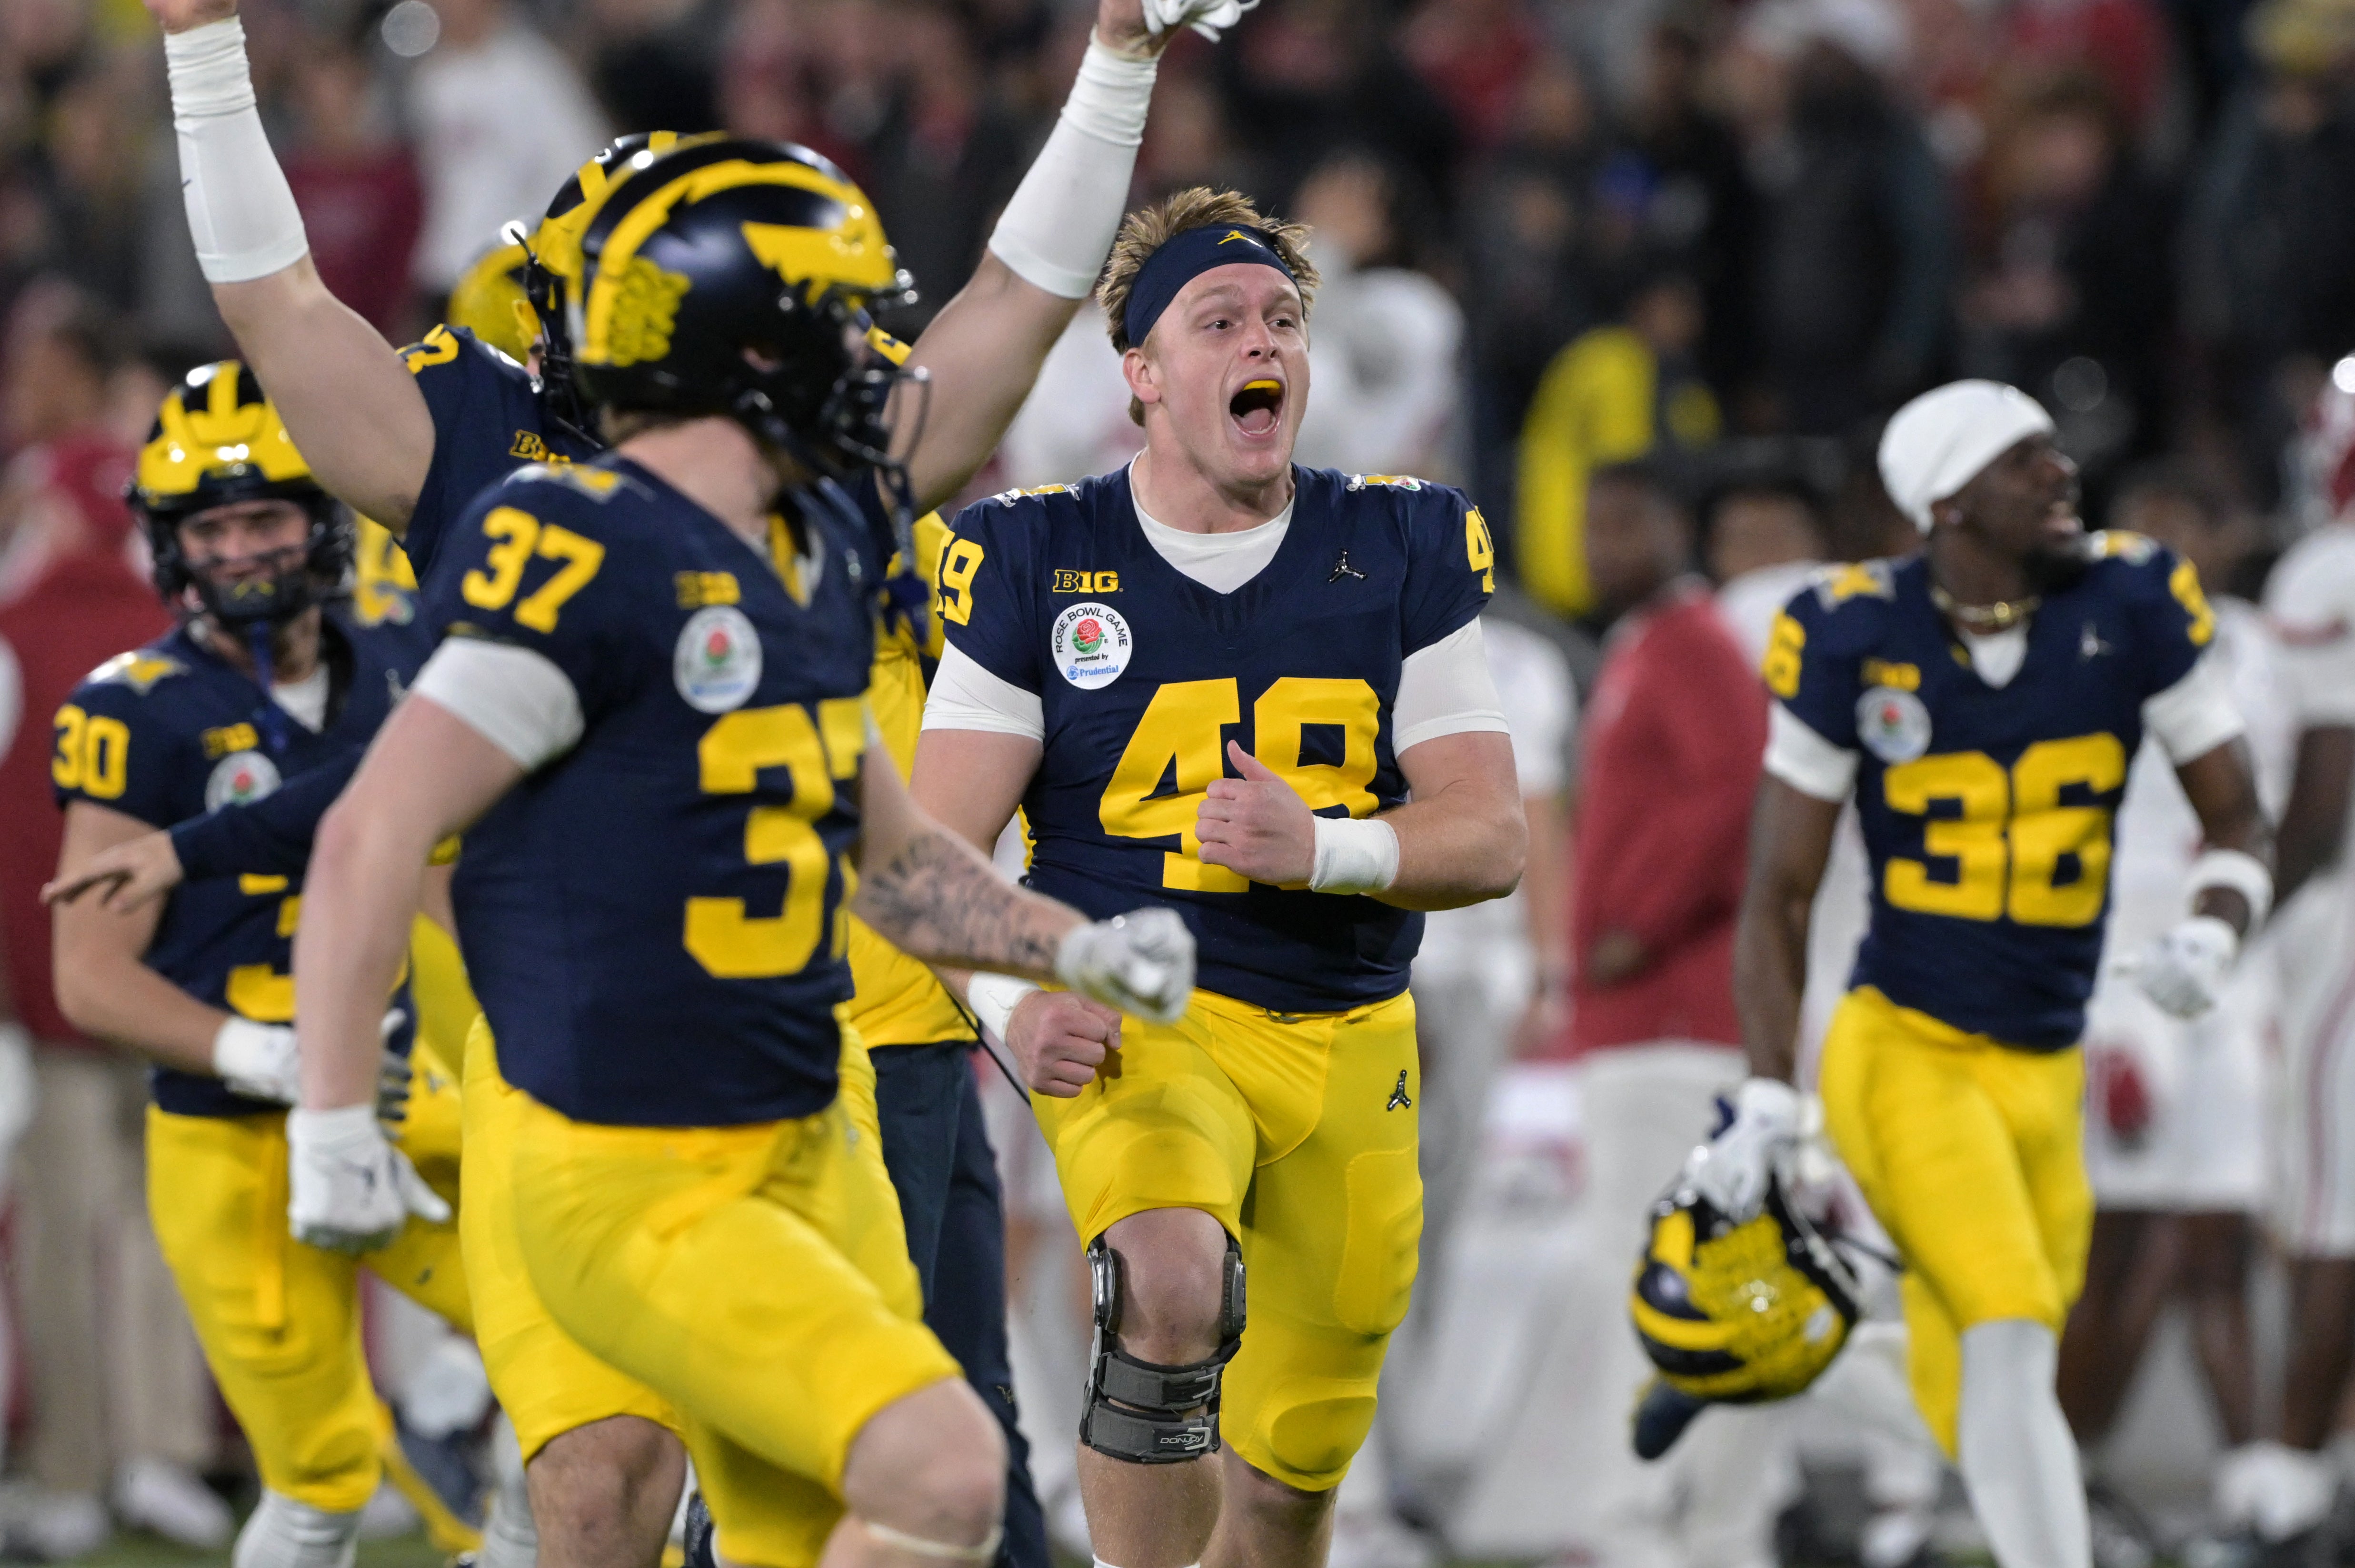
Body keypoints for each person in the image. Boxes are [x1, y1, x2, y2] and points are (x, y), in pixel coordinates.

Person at [108, 1, 1235, 1558]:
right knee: (623, 1484)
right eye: (817, 314)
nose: (865, 357)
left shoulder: (818, 501)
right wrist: (203, 46)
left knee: (911, 1490)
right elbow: (277, 303)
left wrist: (1058, 941)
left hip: (819, 1065)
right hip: (584, 1081)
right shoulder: (533, 504)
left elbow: (1008, 311)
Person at [908, 186, 1527, 1568]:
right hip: (1145, 1022)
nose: (1266, 341)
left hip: (1351, 1032)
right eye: (1223, 319)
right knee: (1168, 1284)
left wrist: (1329, 849)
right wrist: (1007, 1011)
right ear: (1141, 373)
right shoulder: (1033, 555)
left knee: (1296, 1473)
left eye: (1285, 320)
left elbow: (1488, 835)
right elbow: (931, 856)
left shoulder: (1402, 543)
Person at [1724, 379, 2272, 1568]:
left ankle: (1809, 1364)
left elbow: (2239, 821)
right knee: (2014, 1335)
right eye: (2025, 461)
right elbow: (1778, 891)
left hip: (2047, 1059)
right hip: (1905, 1049)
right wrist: (1773, 1086)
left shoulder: (2134, 600)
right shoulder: (1852, 631)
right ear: (1947, 502)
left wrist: (2214, 928)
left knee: (1991, 1371)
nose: (2061, 474)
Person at [48, 363, 479, 1568]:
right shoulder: (135, 710)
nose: (240, 549)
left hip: (394, 1100)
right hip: (230, 1135)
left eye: (265, 517)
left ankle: (468, 1440)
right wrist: (275, 1058)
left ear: (321, 519)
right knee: (323, 1473)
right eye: (214, 526)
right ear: (173, 543)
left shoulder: (398, 661)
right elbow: (91, 974)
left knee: (572, 1330)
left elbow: (449, 879)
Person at [2052, 463, 2292, 1555]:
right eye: (2144, 519)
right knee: (2105, 1245)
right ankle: (2055, 1482)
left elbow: (2282, 814)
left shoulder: (2264, 649)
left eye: (2180, 517)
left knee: (2219, 1237)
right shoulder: (2074, 639)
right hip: (2120, 966)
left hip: (2233, 967)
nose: (2163, 539)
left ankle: (2253, 1481)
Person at [1553, 458, 1788, 1568]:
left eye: (1626, 516)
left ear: (1673, 525)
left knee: (1644, 1275)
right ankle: (1712, 1526)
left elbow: (1740, 787)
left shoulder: (1689, 642)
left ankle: (1640, 1524)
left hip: (1670, 1016)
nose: (1603, 541)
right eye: (1593, 521)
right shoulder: (1647, 642)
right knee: (1706, 1273)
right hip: (1658, 1018)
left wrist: (1636, 925)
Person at [0, 427, 222, 1560]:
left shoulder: (15, 637)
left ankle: (77, 1473)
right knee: (163, 1228)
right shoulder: (182, 643)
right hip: (176, 989)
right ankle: (163, 1456)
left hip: (50, 991)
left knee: (60, 1234)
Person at [2227, 367, 2355, 1562]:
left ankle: (2287, 1483)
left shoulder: (2330, 571)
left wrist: (2234, 923)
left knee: (2329, 1210)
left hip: (2348, 924)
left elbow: (2320, 799)